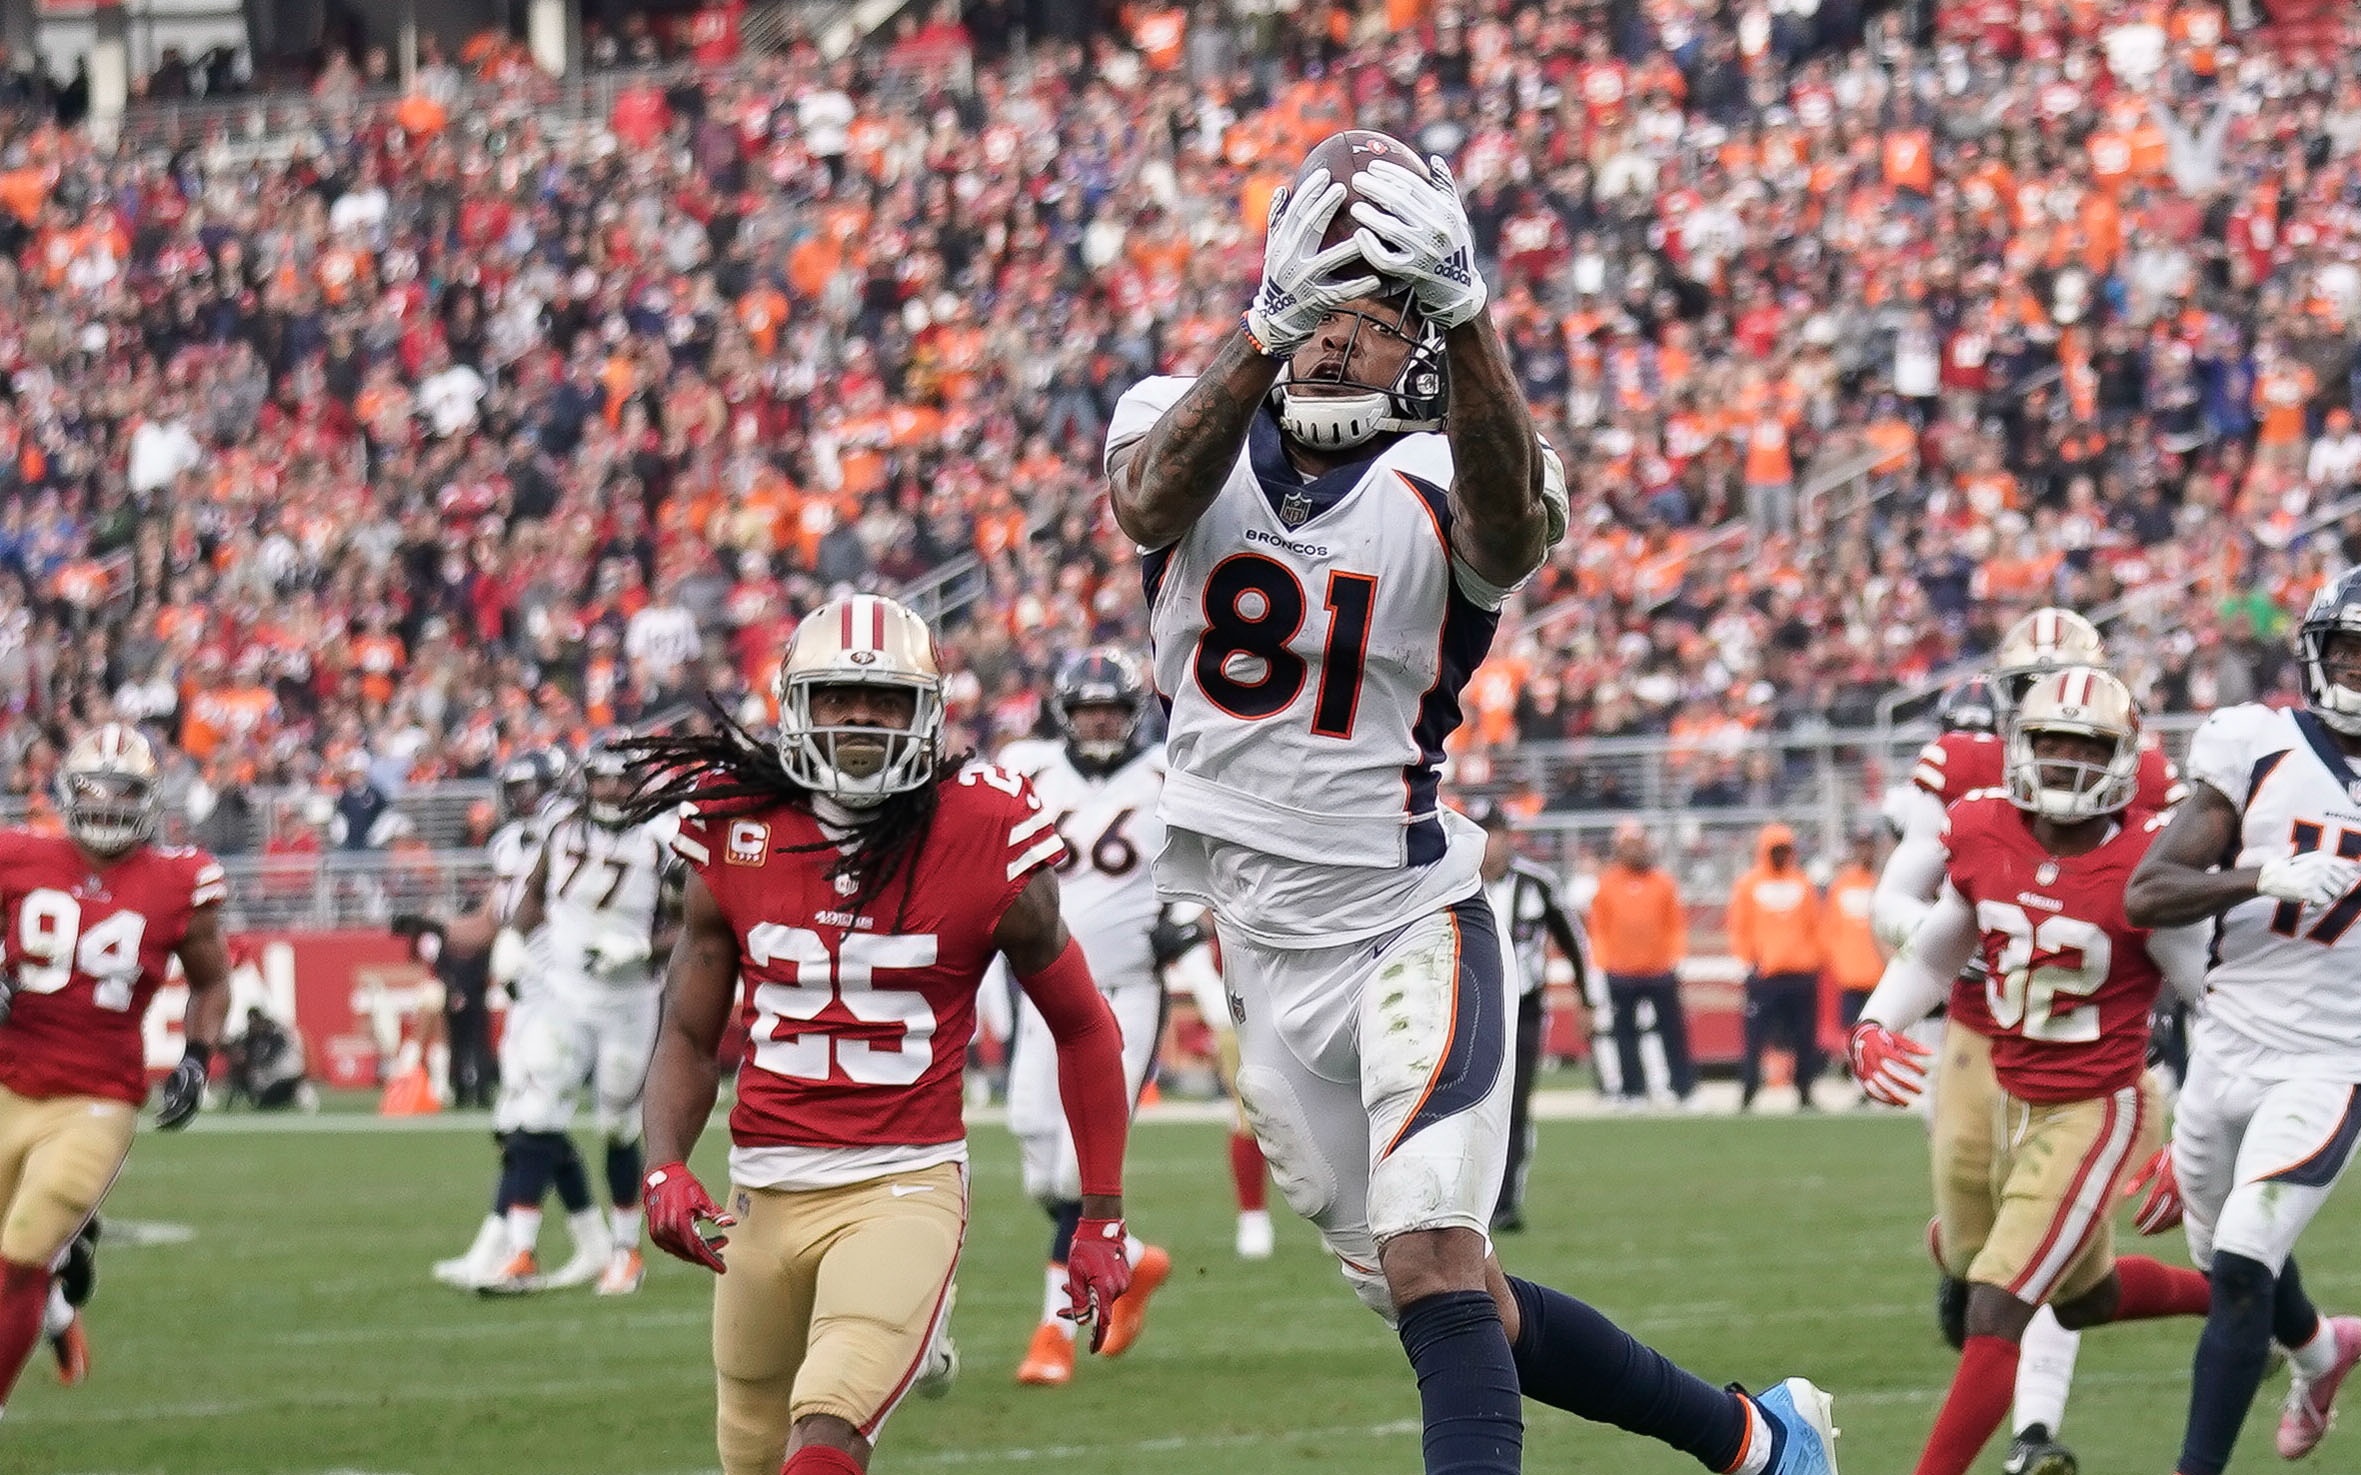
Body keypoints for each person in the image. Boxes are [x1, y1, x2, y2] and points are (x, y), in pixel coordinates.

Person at [1105, 136, 1834, 1475]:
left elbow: (1507, 534)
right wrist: (1266, 327)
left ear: (1428, 341)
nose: (1335, 338)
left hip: (1407, 917)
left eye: (1377, 315)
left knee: (1436, 1251)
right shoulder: (1184, 406)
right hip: (1256, 940)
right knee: (1452, 1298)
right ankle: (1754, 1437)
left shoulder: (1460, 464)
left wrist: (1472, 316)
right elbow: (1145, 493)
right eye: (1319, 302)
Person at [621, 593, 1135, 1475]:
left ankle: (915, 1311)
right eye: (836, 698)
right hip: (763, 1191)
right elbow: (687, 1028)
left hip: (903, 1182)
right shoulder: (734, 821)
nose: (860, 719)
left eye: (886, 701)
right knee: (749, 1453)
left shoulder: (984, 826)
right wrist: (665, 1160)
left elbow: (1083, 1025)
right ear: (794, 706)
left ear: (928, 712)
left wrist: (1101, 1216)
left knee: (825, 1435)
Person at [1848, 669, 2216, 1475]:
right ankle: (2232, 1302)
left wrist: (2193, 1136)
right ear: (2019, 745)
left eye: (2084, 745)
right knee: (2083, 1296)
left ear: (2121, 758)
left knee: (1996, 1304)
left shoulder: (2146, 859)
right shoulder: (1981, 827)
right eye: (2048, 740)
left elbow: (2210, 1005)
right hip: (2005, 1090)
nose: (2062, 760)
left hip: (2097, 1105)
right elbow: (1939, 945)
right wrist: (1876, 1021)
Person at [2124, 570, 2361, 1475]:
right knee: (2229, 1256)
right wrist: (2259, 876)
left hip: (2330, 1061)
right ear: (2314, 651)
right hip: (2222, 1045)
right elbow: (2147, 892)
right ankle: (2322, 1352)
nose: (2356, 670)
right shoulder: (2256, 743)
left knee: (2239, 1268)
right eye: (2347, 650)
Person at [0, 724, 230, 1418]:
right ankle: (59, 1308)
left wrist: (195, 1057)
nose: (105, 804)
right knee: (16, 1261)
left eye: (122, 790)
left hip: (98, 1096)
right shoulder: (17, 854)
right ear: (64, 792)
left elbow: (211, 981)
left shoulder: (177, 880)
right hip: (8, 1080)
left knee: (22, 1247)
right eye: (91, 788)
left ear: (150, 798)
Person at [992, 646, 1173, 1386]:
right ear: (1064, 714)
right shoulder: (1027, 769)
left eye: (1112, 708)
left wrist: (1188, 923)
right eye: (1088, 708)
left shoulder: (1167, 776)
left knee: (1074, 1169)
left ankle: (1052, 1331)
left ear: (1133, 714)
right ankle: (1131, 1261)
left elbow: (1218, 861)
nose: (1100, 720)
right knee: (1037, 1156)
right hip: (1043, 988)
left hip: (1126, 991)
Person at [482, 736, 682, 1297]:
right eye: (602, 778)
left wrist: (643, 949)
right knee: (538, 1109)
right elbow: (534, 894)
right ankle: (520, 1250)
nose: (612, 790)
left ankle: (626, 1251)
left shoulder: (662, 841)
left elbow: (692, 922)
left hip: (627, 1004)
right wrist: (512, 939)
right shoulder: (561, 828)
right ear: (586, 780)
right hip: (564, 994)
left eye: (623, 779)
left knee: (617, 1126)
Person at [429, 749, 613, 1292]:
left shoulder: (574, 838)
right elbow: (491, 922)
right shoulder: (510, 844)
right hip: (526, 999)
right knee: (530, 1124)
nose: (523, 802)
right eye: (515, 792)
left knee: (528, 1121)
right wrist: (433, 924)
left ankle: (506, 1246)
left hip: (565, 996)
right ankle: (591, 1240)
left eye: (531, 790)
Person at [1473, 804, 1586, 1234]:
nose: (1489, 842)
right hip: (1468, 1008)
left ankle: (1504, 1202)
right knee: (1470, 1109)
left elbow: (1575, 943)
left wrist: (1588, 1001)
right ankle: (1471, 1204)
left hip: (1522, 1007)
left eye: (1495, 832)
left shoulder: (1536, 884)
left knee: (1514, 1107)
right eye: (1481, 833)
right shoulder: (1451, 880)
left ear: (1508, 836)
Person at [1587, 822, 1696, 1105]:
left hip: (1659, 970)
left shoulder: (1663, 882)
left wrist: (1675, 958)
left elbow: (1675, 924)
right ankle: (1632, 1090)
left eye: (1639, 843)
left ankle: (1683, 1088)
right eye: (1629, 844)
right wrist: (1603, 961)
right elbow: (1599, 927)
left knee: (1673, 1032)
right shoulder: (1608, 883)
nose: (1636, 850)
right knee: (1625, 1034)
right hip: (1621, 971)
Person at [1728, 823, 1825, 1112]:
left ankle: (1805, 1090)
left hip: (1801, 973)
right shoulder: (1749, 884)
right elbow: (1739, 927)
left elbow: (1815, 926)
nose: (1782, 855)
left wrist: (1814, 959)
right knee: (1755, 1037)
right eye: (1776, 849)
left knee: (1805, 1038)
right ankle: (1748, 1090)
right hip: (1765, 975)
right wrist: (1750, 960)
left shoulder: (1802, 883)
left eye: (1785, 849)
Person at [1822, 829, 1884, 1036]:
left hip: (1880, 974)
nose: (1865, 852)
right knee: (1851, 1032)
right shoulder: (1841, 886)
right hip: (1851, 975)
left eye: (1868, 846)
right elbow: (1830, 930)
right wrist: (1840, 963)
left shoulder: (1883, 883)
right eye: (1861, 846)